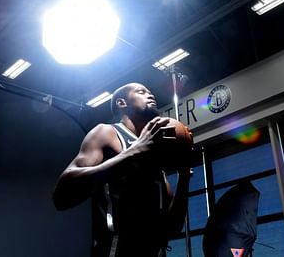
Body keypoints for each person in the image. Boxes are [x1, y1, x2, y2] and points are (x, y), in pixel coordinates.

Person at [53, 82, 191, 257]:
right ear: (121, 103)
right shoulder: (107, 133)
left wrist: (184, 175)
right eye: (141, 91)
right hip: (115, 251)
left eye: (151, 92)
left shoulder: (154, 155)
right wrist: (134, 151)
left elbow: (171, 229)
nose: (151, 95)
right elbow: (61, 196)